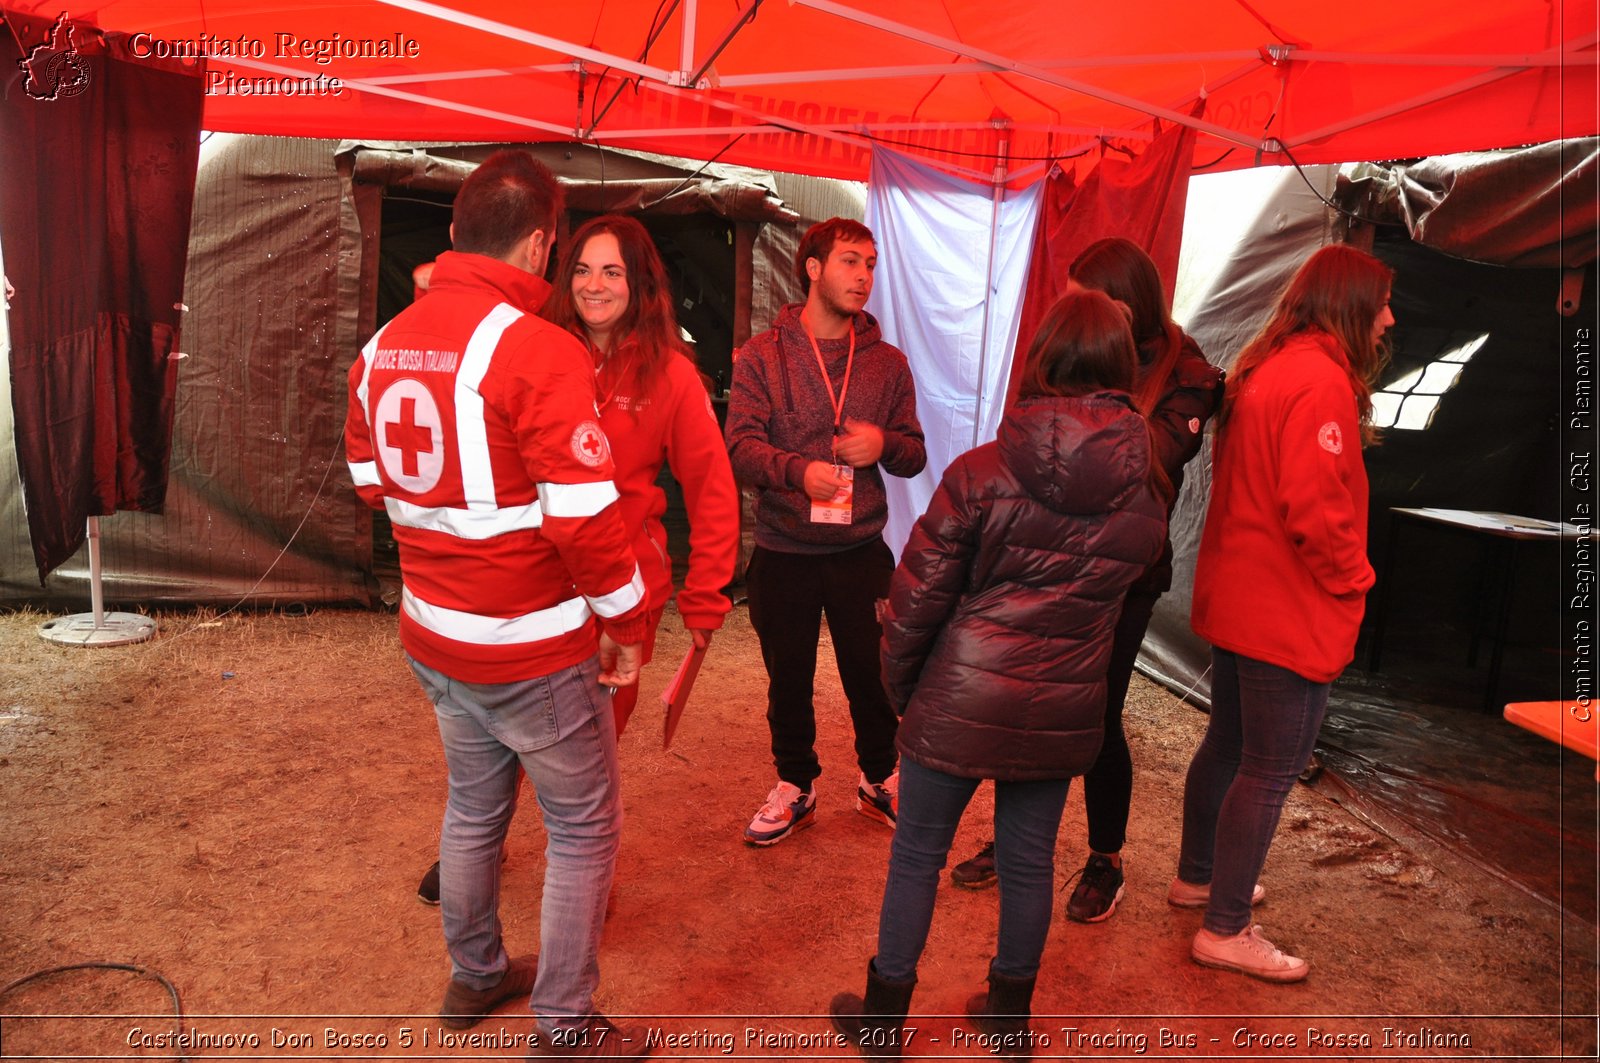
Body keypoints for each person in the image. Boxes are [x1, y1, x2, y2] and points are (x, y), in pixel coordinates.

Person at [344, 149, 654, 1059]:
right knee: (584, 825)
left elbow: (370, 480)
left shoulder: (380, 344)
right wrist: (629, 624)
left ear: (452, 233)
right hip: (531, 646)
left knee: (475, 808)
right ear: (542, 243)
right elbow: (588, 524)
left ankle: (476, 970)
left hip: (434, 634)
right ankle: (563, 1024)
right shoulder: (539, 350)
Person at [830, 290, 1167, 1057]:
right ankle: (1008, 1016)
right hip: (1062, 705)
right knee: (1029, 860)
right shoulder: (1146, 496)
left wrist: (905, 692)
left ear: (1043, 356)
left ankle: (884, 1019)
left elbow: (913, 601)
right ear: (1120, 366)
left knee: (918, 851)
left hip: (961, 689)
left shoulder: (982, 471)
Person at [412, 214, 741, 904]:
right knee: (503, 731)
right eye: (583, 269)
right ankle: (483, 841)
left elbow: (712, 488)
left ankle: (582, 880)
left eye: (613, 271)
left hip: (620, 592)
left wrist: (706, 595)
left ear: (641, 283)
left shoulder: (672, 376)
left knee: (587, 753)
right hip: (533, 585)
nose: (594, 285)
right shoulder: (528, 346)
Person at [950, 239, 1225, 927]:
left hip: (1127, 573)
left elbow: (1150, 466)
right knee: (1026, 697)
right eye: (1070, 298)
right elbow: (1023, 433)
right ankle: (1012, 836)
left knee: (1097, 713)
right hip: (1049, 554)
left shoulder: (1190, 373)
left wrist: (1069, 434)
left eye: (1088, 300)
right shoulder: (1069, 347)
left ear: (1130, 309)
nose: (1075, 312)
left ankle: (1106, 857)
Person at [1175, 243, 1394, 982]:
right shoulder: (1319, 381)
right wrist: (1357, 578)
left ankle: (1200, 877)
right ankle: (1225, 926)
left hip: (1239, 596)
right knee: (1270, 767)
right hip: (1283, 607)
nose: (1389, 318)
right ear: (1350, 305)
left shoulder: (1263, 365)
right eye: (1382, 303)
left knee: (1230, 746)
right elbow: (1316, 510)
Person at [725, 217, 926, 846]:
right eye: (848, 261)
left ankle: (880, 777)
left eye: (869, 264)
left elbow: (915, 455)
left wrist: (884, 443)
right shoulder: (763, 354)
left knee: (875, 672)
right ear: (812, 268)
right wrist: (796, 471)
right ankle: (796, 784)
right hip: (783, 549)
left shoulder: (888, 365)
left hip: (861, 549)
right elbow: (739, 448)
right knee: (788, 675)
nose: (863, 276)